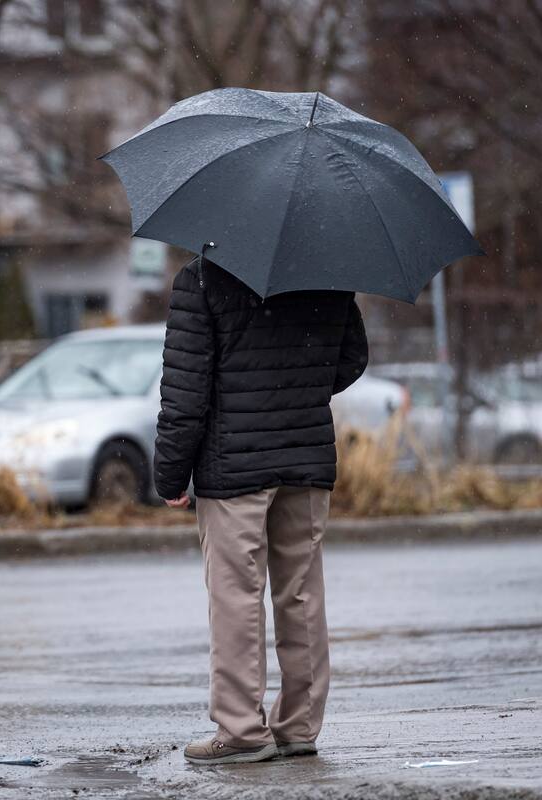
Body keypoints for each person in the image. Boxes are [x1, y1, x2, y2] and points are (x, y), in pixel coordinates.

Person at [155, 254, 368, 765]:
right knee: (302, 594)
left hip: (233, 464)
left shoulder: (202, 278)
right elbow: (352, 358)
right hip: (305, 456)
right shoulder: (328, 272)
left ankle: (243, 730)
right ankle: (299, 726)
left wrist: (170, 474)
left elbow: (186, 392)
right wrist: (296, 391)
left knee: (236, 595)